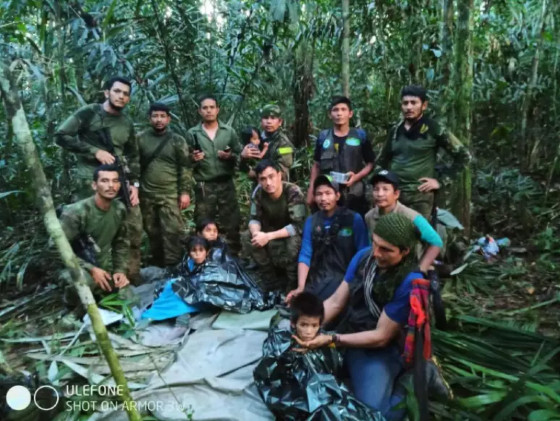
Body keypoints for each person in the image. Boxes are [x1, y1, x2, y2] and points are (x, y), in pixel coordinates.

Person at [292, 213, 424, 420]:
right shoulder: (364, 257)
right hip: (349, 330)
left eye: (386, 249)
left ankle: (410, 383)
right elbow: (336, 302)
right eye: (375, 244)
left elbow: (381, 337)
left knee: (373, 415)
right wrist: (307, 326)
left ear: (405, 251)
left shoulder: (409, 282)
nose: (376, 253)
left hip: (377, 349)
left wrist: (332, 339)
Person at [55, 76, 143, 283]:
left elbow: (133, 155)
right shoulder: (89, 113)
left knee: (131, 226)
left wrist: (135, 184)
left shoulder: (126, 123)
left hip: (119, 180)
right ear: (107, 93)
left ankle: (127, 275)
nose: (121, 96)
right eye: (117, 91)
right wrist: (94, 151)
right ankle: (89, 275)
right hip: (90, 181)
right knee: (88, 229)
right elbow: (61, 135)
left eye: (125, 94)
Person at [377, 85, 471, 219]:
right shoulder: (395, 131)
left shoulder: (434, 129)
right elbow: (381, 161)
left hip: (420, 196)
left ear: (424, 105)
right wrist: (381, 188)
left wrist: (441, 181)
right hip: (395, 196)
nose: (409, 107)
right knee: (391, 235)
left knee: (418, 236)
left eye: (413, 103)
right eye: (405, 103)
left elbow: (464, 156)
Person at [286, 175, 369, 303]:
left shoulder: (353, 219)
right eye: (319, 194)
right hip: (319, 278)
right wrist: (301, 287)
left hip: (345, 278)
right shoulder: (311, 221)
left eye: (328, 193)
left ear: (337, 196)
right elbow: (305, 254)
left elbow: (363, 253)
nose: (323, 198)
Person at [59, 165, 130, 302]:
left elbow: (121, 243)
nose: (111, 186)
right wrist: (91, 269)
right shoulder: (76, 213)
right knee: (84, 284)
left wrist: (120, 271)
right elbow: (55, 248)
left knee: (130, 300)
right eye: (104, 181)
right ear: (94, 185)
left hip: (102, 265)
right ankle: (72, 309)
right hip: (75, 266)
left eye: (115, 181)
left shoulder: (119, 209)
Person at [186, 94, 242, 255]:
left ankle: (233, 256)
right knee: (203, 221)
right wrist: (193, 158)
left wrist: (229, 156)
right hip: (204, 184)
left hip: (226, 183)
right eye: (205, 108)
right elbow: (186, 160)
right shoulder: (192, 133)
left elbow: (240, 156)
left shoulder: (228, 132)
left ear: (218, 110)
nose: (209, 111)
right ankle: (204, 255)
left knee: (232, 220)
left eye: (212, 107)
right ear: (199, 111)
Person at [138, 102, 191, 268]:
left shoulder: (177, 141)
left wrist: (185, 192)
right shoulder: (140, 139)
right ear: (149, 118)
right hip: (147, 194)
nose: (158, 120)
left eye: (162, 116)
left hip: (170, 194)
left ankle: (173, 267)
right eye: (155, 116)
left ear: (168, 119)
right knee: (152, 232)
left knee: (172, 232)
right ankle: (158, 264)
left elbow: (185, 167)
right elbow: (133, 165)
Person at [307, 96, 375, 215]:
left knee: (354, 224)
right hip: (328, 194)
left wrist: (356, 177)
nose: (339, 113)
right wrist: (312, 189)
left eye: (343, 110)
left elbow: (370, 163)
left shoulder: (360, 136)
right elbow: (317, 165)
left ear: (350, 114)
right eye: (335, 110)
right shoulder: (323, 137)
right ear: (330, 114)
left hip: (354, 193)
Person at [365, 169, 442, 274]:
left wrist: (421, 268)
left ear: (396, 194)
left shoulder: (411, 217)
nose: (380, 194)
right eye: (376, 189)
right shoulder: (369, 216)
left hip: (408, 268)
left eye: (385, 189)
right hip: (381, 266)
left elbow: (436, 242)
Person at [246, 160, 306, 292]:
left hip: (290, 232)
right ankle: (271, 281)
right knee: (248, 236)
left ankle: (292, 285)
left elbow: (298, 226)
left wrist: (267, 236)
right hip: (270, 230)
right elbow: (253, 219)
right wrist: (256, 234)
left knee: (293, 241)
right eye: (263, 179)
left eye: (271, 176)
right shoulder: (258, 193)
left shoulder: (293, 191)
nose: (268, 183)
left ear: (280, 175)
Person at [241, 104, 294, 181]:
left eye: (273, 118)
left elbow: (282, 172)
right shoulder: (255, 137)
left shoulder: (285, 145)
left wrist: (254, 173)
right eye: (265, 118)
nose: (269, 121)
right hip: (257, 187)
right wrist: (243, 156)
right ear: (261, 121)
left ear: (280, 122)